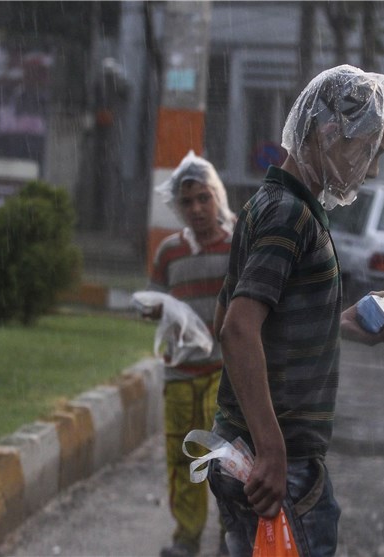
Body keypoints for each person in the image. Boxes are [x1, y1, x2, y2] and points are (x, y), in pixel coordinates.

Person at [207, 65, 384, 556]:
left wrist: (341, 325)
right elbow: (235, 331)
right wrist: (271, 450)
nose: (372, 169)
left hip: (242, 452)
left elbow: (228, 318)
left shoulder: (267, 204)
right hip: (278, 467)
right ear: (327, 132)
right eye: (368, 150)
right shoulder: (289, 216)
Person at [147, 151, 237, 557]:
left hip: (226, 375)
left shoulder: (240, 247)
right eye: (187, 201)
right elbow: (158, 302)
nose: (197, 208)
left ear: (217, 196)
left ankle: (229, 540)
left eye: (204, 197)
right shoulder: (168, 253)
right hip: (179, 372)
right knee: (183, 458)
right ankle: (186, 539)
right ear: (177, 207)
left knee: (224, 465)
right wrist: (151, 309)